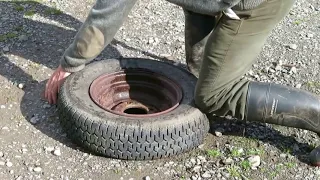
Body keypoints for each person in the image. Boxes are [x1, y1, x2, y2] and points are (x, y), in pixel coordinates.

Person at [45, 0, 320, 148]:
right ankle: (205, 71)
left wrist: (70, 64)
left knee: (214, 95)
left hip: (258, 3)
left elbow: (104, 18)